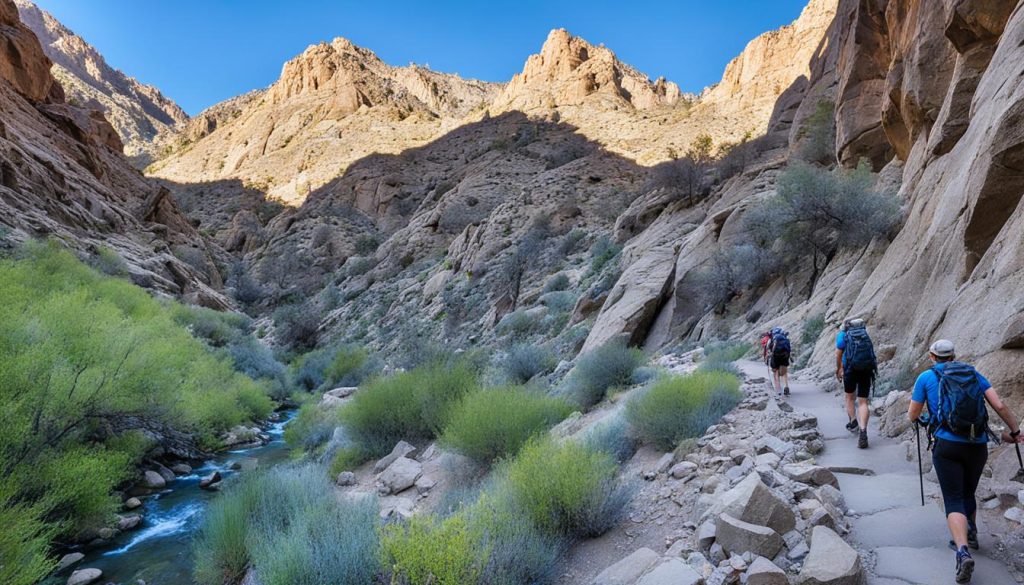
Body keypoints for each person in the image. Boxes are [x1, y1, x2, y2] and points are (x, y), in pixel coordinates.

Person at [908, 339, 1022, 584]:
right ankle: (972, 533)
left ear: (932, 356)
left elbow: (912, 415)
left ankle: (962, 551)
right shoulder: (973, 374)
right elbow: (999, 405)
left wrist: (928, 418)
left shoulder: (926, 378)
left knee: (954, 499)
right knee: (969, 492)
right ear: (954, 356)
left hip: (946, 445)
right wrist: (1014, 431)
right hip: (976, 445)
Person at [835, 318, 876, 449]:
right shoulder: (864, 335)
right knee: (863, 401)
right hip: (866, 369)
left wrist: (839, 369)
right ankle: (863, 431)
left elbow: (838, 354)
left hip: (850, 370)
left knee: (849, 397)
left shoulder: (843, 335)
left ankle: (853, 422)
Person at [767, 327, 792, 397]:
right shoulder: (785, 338)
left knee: (776, 371)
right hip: (785, 356)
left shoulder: (772, 339)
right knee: (784, 372)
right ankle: (786, 386)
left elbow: (769, 348)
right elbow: (789, 349)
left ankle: (778, 389)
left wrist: (769, 355)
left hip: (775, 356)